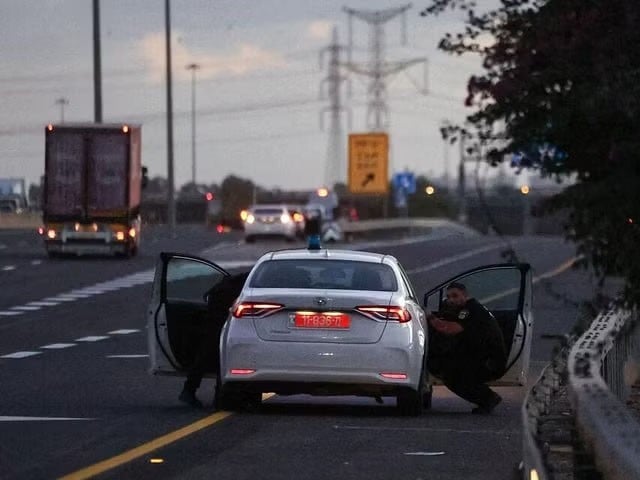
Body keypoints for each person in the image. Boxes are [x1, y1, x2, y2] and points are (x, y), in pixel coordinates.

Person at [427, 282, 507, 414]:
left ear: (465, 295)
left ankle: (488, 398)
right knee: (447, 366)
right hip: (481, 357)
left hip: (489, 362)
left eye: (455, 296)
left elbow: (449, 329)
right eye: (448, 297)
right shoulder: (466, 309)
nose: (451, 300)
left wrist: (430, 317)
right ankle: (486, 397)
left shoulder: (471, 310)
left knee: (452, 376)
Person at [179, 271, 250, 408]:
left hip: (220, 308)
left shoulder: (243, 278)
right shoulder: (244, 284)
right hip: (221, 310)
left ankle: (193, 389)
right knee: (218, 351)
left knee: (213, 351)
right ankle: (212, 395)